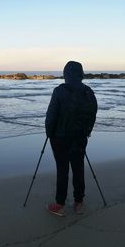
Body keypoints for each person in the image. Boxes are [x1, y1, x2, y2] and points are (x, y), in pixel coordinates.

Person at [45, 61, 98, 216]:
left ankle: (60, 204)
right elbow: (93, 113)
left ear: (66, 74)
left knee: (62, 170)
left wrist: (49, 133)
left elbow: (51, 116)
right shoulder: (88, 92)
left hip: (60, 138)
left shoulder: (60, 91)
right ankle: (78, 202)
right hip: (80, 138)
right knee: (78, 168)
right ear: (81, 74)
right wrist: (87, 131)